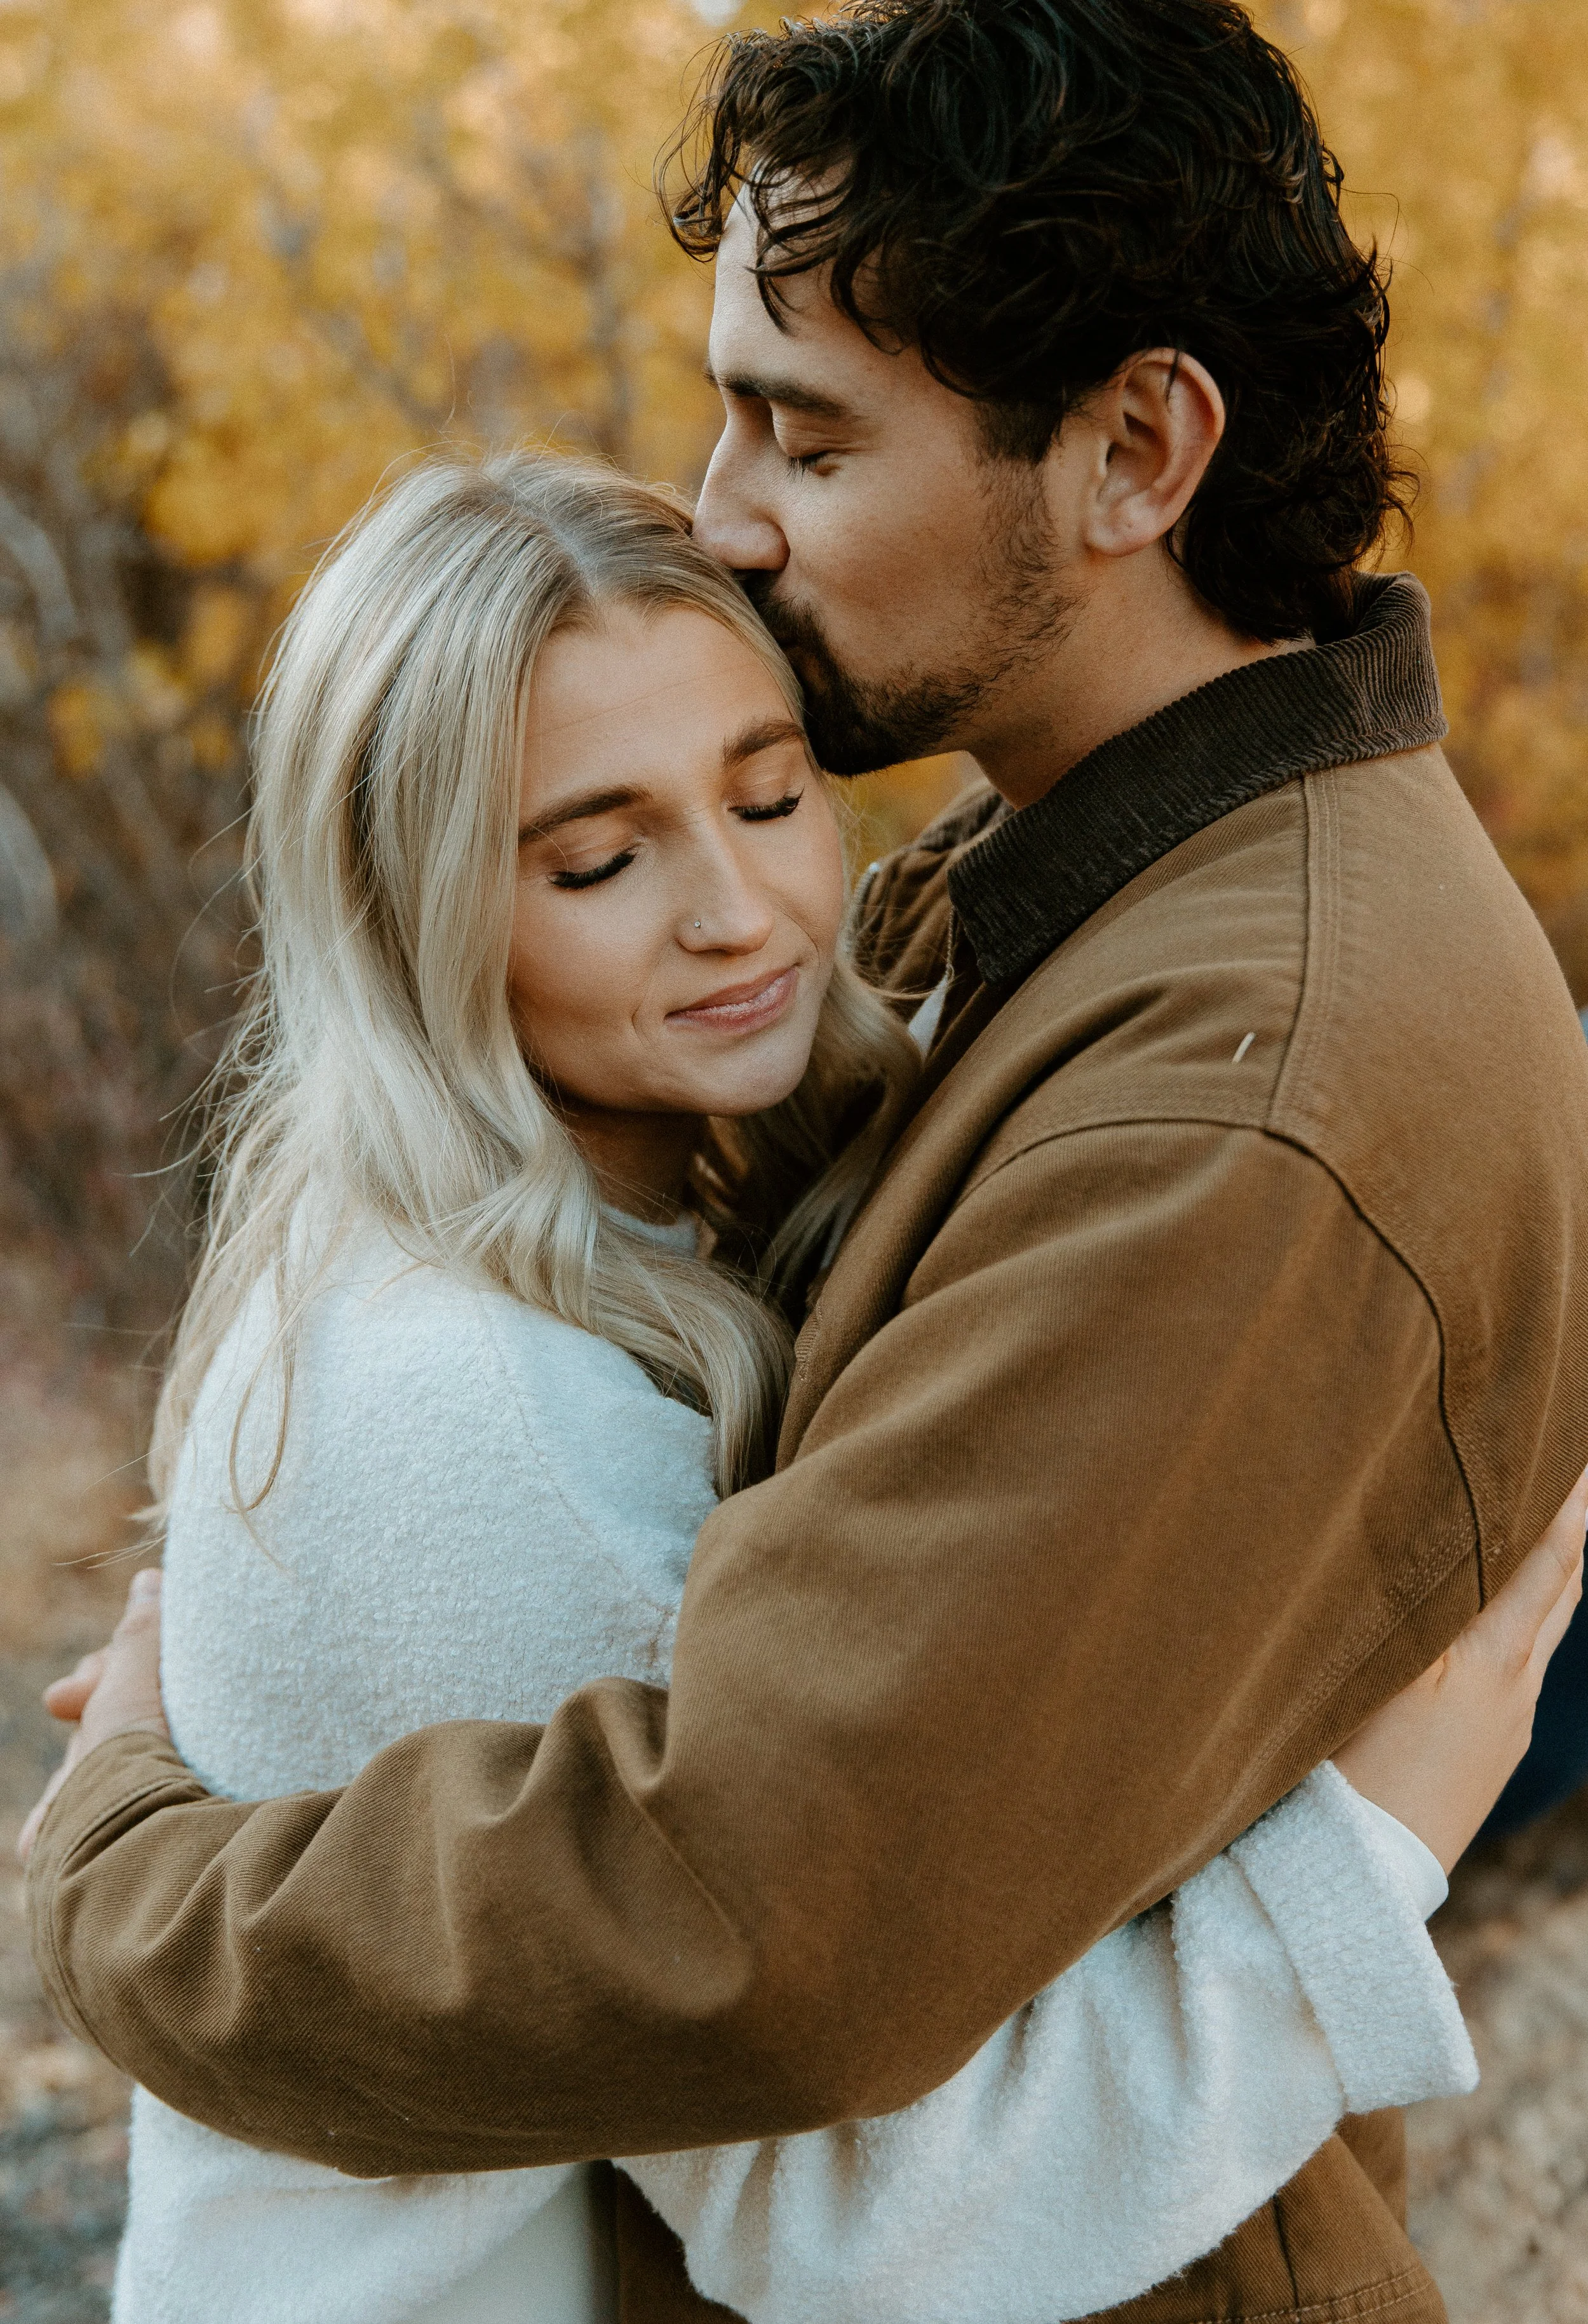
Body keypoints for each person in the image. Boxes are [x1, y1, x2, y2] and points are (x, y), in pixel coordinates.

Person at [24, 5, 1588, 2321]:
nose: (725, 511)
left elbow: (743, 1937)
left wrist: (134, 1882)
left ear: (1135, 450)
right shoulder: (1065, 903)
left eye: (806, 431)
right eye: (731, 410)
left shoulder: (1240, 1080)